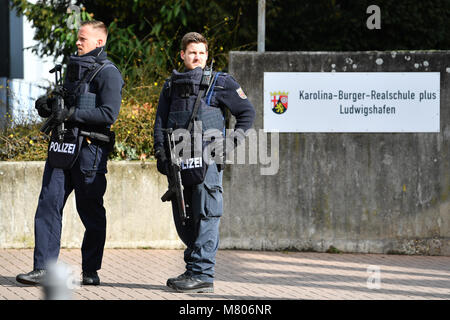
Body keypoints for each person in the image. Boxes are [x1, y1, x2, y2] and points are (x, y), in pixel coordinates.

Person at [16, 20, 124, 286]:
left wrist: (72, 114)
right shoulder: (73, 70)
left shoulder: (109, 73)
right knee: (48, 205)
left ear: (100, 42)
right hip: (62, 147)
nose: (78, 42)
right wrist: (48, 105)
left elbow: (108, 113)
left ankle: (90, 269)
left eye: (83, 39)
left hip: (90, 152)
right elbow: (66, 101)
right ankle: (43, 269)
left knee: (91, 212)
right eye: (78, 38)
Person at [153, 32, 255, 293]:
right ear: (182, 55)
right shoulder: (170, 86)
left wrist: (230, 144)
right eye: (192, 52)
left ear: (207, 55)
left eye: (201, 52)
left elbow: (247, 114)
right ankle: (192, 269)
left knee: (207, 214)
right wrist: (161, 156)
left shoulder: (220, 82)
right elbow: (160, 125)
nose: (197, 57)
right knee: (185, 217)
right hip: (179, 162)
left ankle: (202, 274)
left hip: (208, 162)